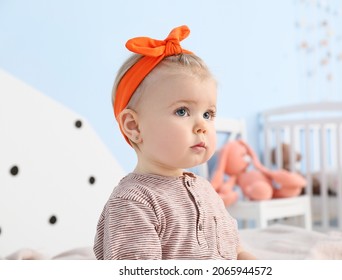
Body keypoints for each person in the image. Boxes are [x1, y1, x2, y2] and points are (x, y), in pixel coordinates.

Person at [93, 25, 256, 260]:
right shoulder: (133, 203)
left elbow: (234, 250)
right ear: (134, 126)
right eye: (182, 111)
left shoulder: (205, 190)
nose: (202, 125)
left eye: (208, 114)